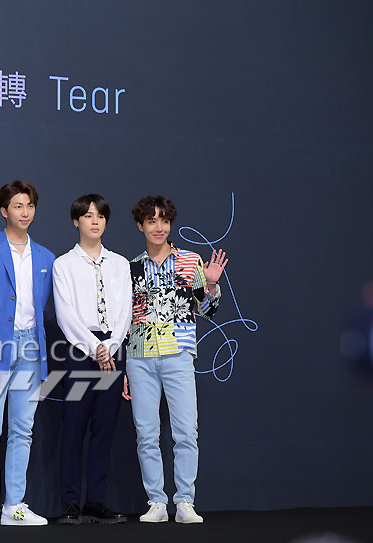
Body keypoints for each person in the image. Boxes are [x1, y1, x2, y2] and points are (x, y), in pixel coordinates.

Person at [124, 195, 228, 524]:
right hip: (140, 358)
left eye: (164, 220)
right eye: (152, 221)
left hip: (179, 354)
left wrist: (211, 283)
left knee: (185, 432)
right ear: (140, 225)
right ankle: (156, 501)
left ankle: (185, 502)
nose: (159, 227)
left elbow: (207, 310)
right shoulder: (131, 267)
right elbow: (127, 319)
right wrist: (125, 366)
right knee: (146, 434)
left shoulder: (190, 260)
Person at [0, 180, 55, 527]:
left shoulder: (45, 256)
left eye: (29, 205)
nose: (25, 212)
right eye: (18, 206)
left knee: (23, 430)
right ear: (4, 211)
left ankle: (14, 505)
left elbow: (41, 304)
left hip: (31, 345)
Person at [52, 194, 131, 525]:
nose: (95, 221)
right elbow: (65, 314)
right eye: (87, 215)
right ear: (76, 221)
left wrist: (110, 346)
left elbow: (126, 310)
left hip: (113, 348)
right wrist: (94, 347)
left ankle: (96, 501)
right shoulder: (63, 264)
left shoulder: (120, 264)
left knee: (104, 427)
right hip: (79, 350)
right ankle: (70, 502)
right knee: (73, 426)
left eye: (100, 216)